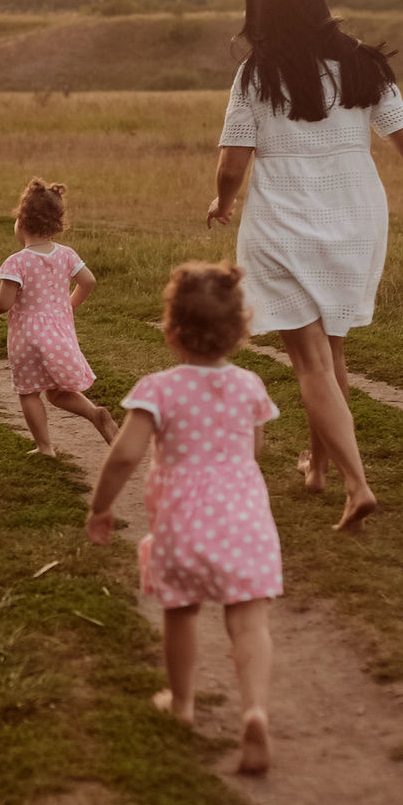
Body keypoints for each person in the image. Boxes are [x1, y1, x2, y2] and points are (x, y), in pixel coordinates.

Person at [209, 0, 403, 530]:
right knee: (332, 355)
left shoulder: (255, 75)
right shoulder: (365, 64)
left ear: (263, 14)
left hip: (284, 225)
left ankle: (356, 483)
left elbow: (232, 164)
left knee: (311, 362)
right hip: (354, 222)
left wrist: (222, 203)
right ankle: (317, 468)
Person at [86, 263, 282, 775]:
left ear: (170, 331)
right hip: (245, 517)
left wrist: (101, 506)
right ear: (240, 331)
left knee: (182, 611)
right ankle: (255, 713)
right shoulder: (249, 386)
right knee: (249, 618)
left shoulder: (159, 389)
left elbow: (125, 456)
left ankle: (182, 703)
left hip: (182, 522)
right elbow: (254, 448)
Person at [0, 178, 118, 456]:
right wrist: (69, 305)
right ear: (57, 225)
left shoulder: (17, 262)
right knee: (57, 392)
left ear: (21, 222)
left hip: (27, 338)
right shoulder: (66, 255)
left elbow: (4, 304)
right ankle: (94, 413)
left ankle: (45, 447)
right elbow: (88, 281)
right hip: (60, 335)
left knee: (29, 392)